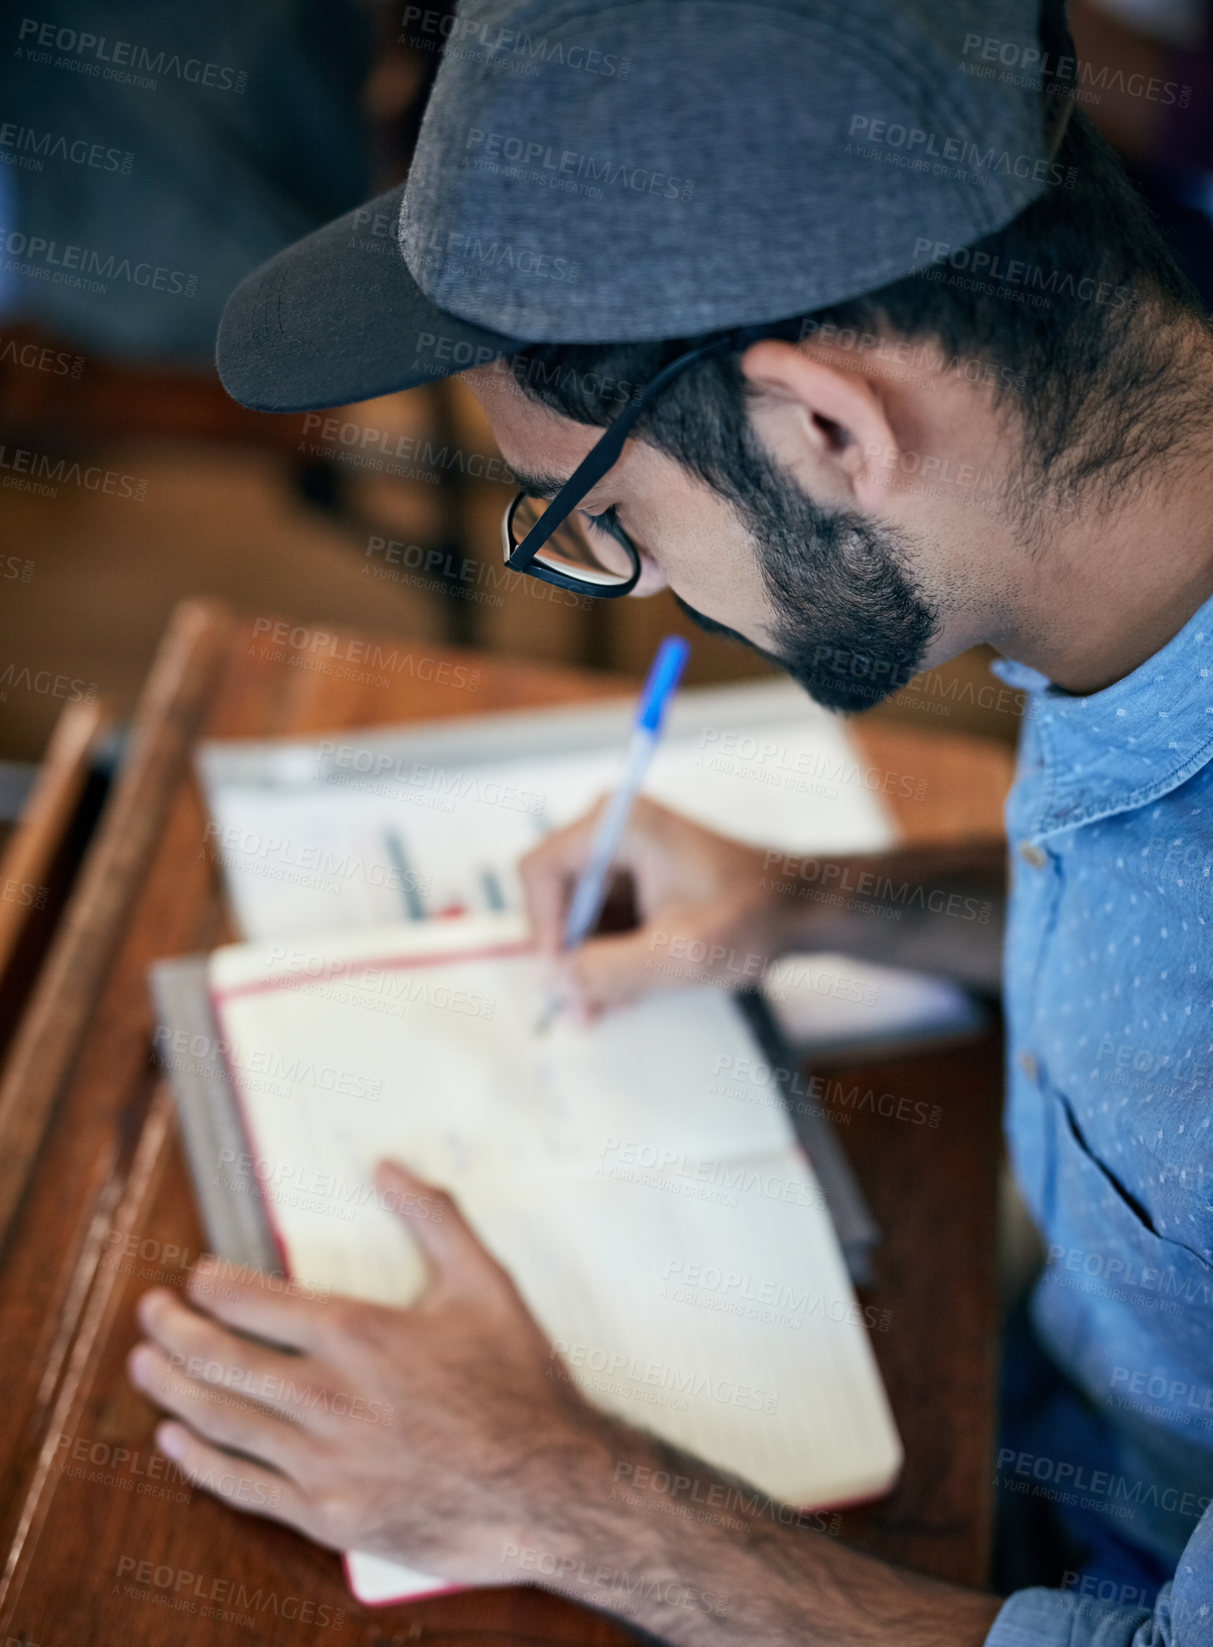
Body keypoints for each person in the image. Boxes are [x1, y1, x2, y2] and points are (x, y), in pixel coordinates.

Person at [129, 1, 1213, 1641]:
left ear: (826, 428)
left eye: (605, 519)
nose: (637, 587)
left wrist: (550, 1493)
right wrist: (825, 902)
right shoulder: (1130, 597)